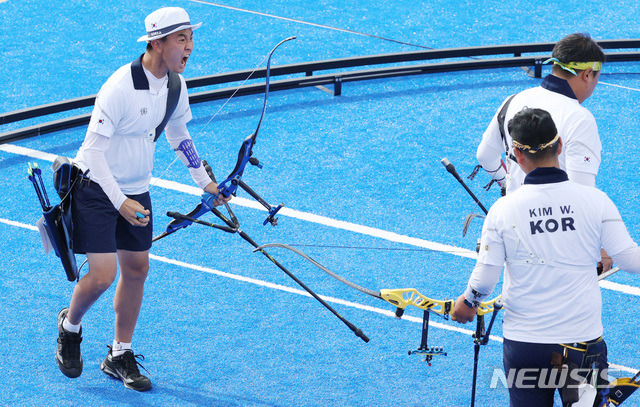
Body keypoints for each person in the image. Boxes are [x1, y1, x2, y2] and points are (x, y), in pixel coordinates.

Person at [54, 7, 229, 391]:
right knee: (102, 276)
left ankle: (119, 354)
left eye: (190, 38)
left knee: (136, 270)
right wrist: (120, 202)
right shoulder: (118, 88)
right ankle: (70, 327)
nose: (189, 47)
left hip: (135, 190)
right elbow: (93, 153)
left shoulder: (176, 87)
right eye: (181, 39)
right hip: (97, 189)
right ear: (156, 43)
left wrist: (205, 183)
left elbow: (179, 136)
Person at [452, 107, 640, 407]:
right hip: (582, 342)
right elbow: (632, 261)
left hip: (526, 344)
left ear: (516, 154)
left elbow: (485, 280)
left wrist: (468, 303)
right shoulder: (596, 201)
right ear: (560, 145)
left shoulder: (503, 210)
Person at [475, 32, 612, 272]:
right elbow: (583, 193)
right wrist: (599, 245)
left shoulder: (514, 99)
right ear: (588, 74)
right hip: (561, 239)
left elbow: (485, 156)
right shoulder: (579, 118)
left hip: (516, 227)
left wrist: (506, 184)